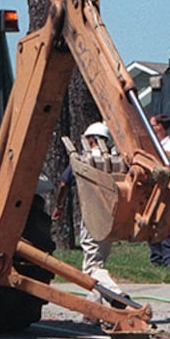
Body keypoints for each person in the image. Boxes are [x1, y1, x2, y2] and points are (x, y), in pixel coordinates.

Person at [51, 121, 118, 287]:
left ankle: (115, 293)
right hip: (111, 218)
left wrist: (59, 206)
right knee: (98, 260)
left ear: (90, 139)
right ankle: (93, 307)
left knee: (92, 266)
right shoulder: (114, 160)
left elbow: (63, 183)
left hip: (91, 218)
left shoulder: (83, 160)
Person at [147, 114, 170, 269]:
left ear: (160, 127)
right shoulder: (153, 145)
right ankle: (156, 258)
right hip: (153, 190)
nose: (151, 128)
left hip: (167, 191)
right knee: (152, 224)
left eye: (153, 125)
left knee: (166, 224)